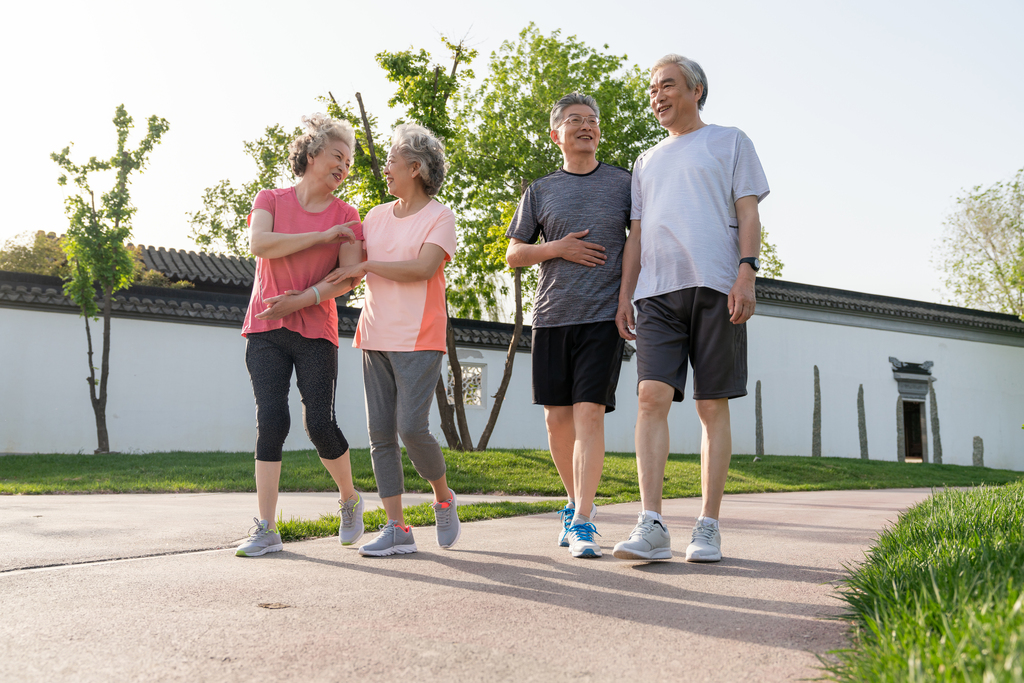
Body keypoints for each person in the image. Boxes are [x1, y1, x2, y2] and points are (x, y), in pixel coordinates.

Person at [612, 54, 769, 563]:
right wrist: (625, 294)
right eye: (652, 90)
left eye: (667, 86)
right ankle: (652, 524)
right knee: (651, 397)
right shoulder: (646, 160)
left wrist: (747, 271)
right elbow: (636, 234)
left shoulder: (730, 141)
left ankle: (707, 525)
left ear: (696, 90)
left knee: (709, 405)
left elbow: (749, 212)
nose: (657, 96)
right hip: (657, 292)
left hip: (717, 285)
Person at [325, 123, 461, 557]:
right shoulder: (376, 216)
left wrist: (368, 267)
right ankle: (397, 527)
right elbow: (350, 265)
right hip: (375, 333)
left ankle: (443, 496)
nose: (386, 168)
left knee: (411, 428)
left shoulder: (440, 216)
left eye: (392, 160)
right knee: (380, 434)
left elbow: (423, 269)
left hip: (419, 336)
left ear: (416, 167)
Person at [234, 113, 367, 558]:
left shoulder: (348, 215)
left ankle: (349, 499)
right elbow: (260, 244)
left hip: (314, 328)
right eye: (337, 156)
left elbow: (347, 277)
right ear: (311, 154)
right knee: (271, 419)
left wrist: (304, 298)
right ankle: (266, 527)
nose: (344, 167)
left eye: (348, 162)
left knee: (319, 423)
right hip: (266, 328)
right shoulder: (270, 199)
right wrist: (321, 235)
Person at [505, 93, 630, 559]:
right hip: (553, 316)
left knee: (589, 414)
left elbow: (640, 241)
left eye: (593, 120)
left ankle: (582, 520)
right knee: (557, 422)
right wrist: (557, 248)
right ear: (556, 134)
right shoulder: (541, 190)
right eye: (575, 120)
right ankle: (574, 504)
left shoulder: (624, 183)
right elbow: (514, 254)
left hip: (603, 317)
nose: (586, 126)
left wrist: (627, 299)